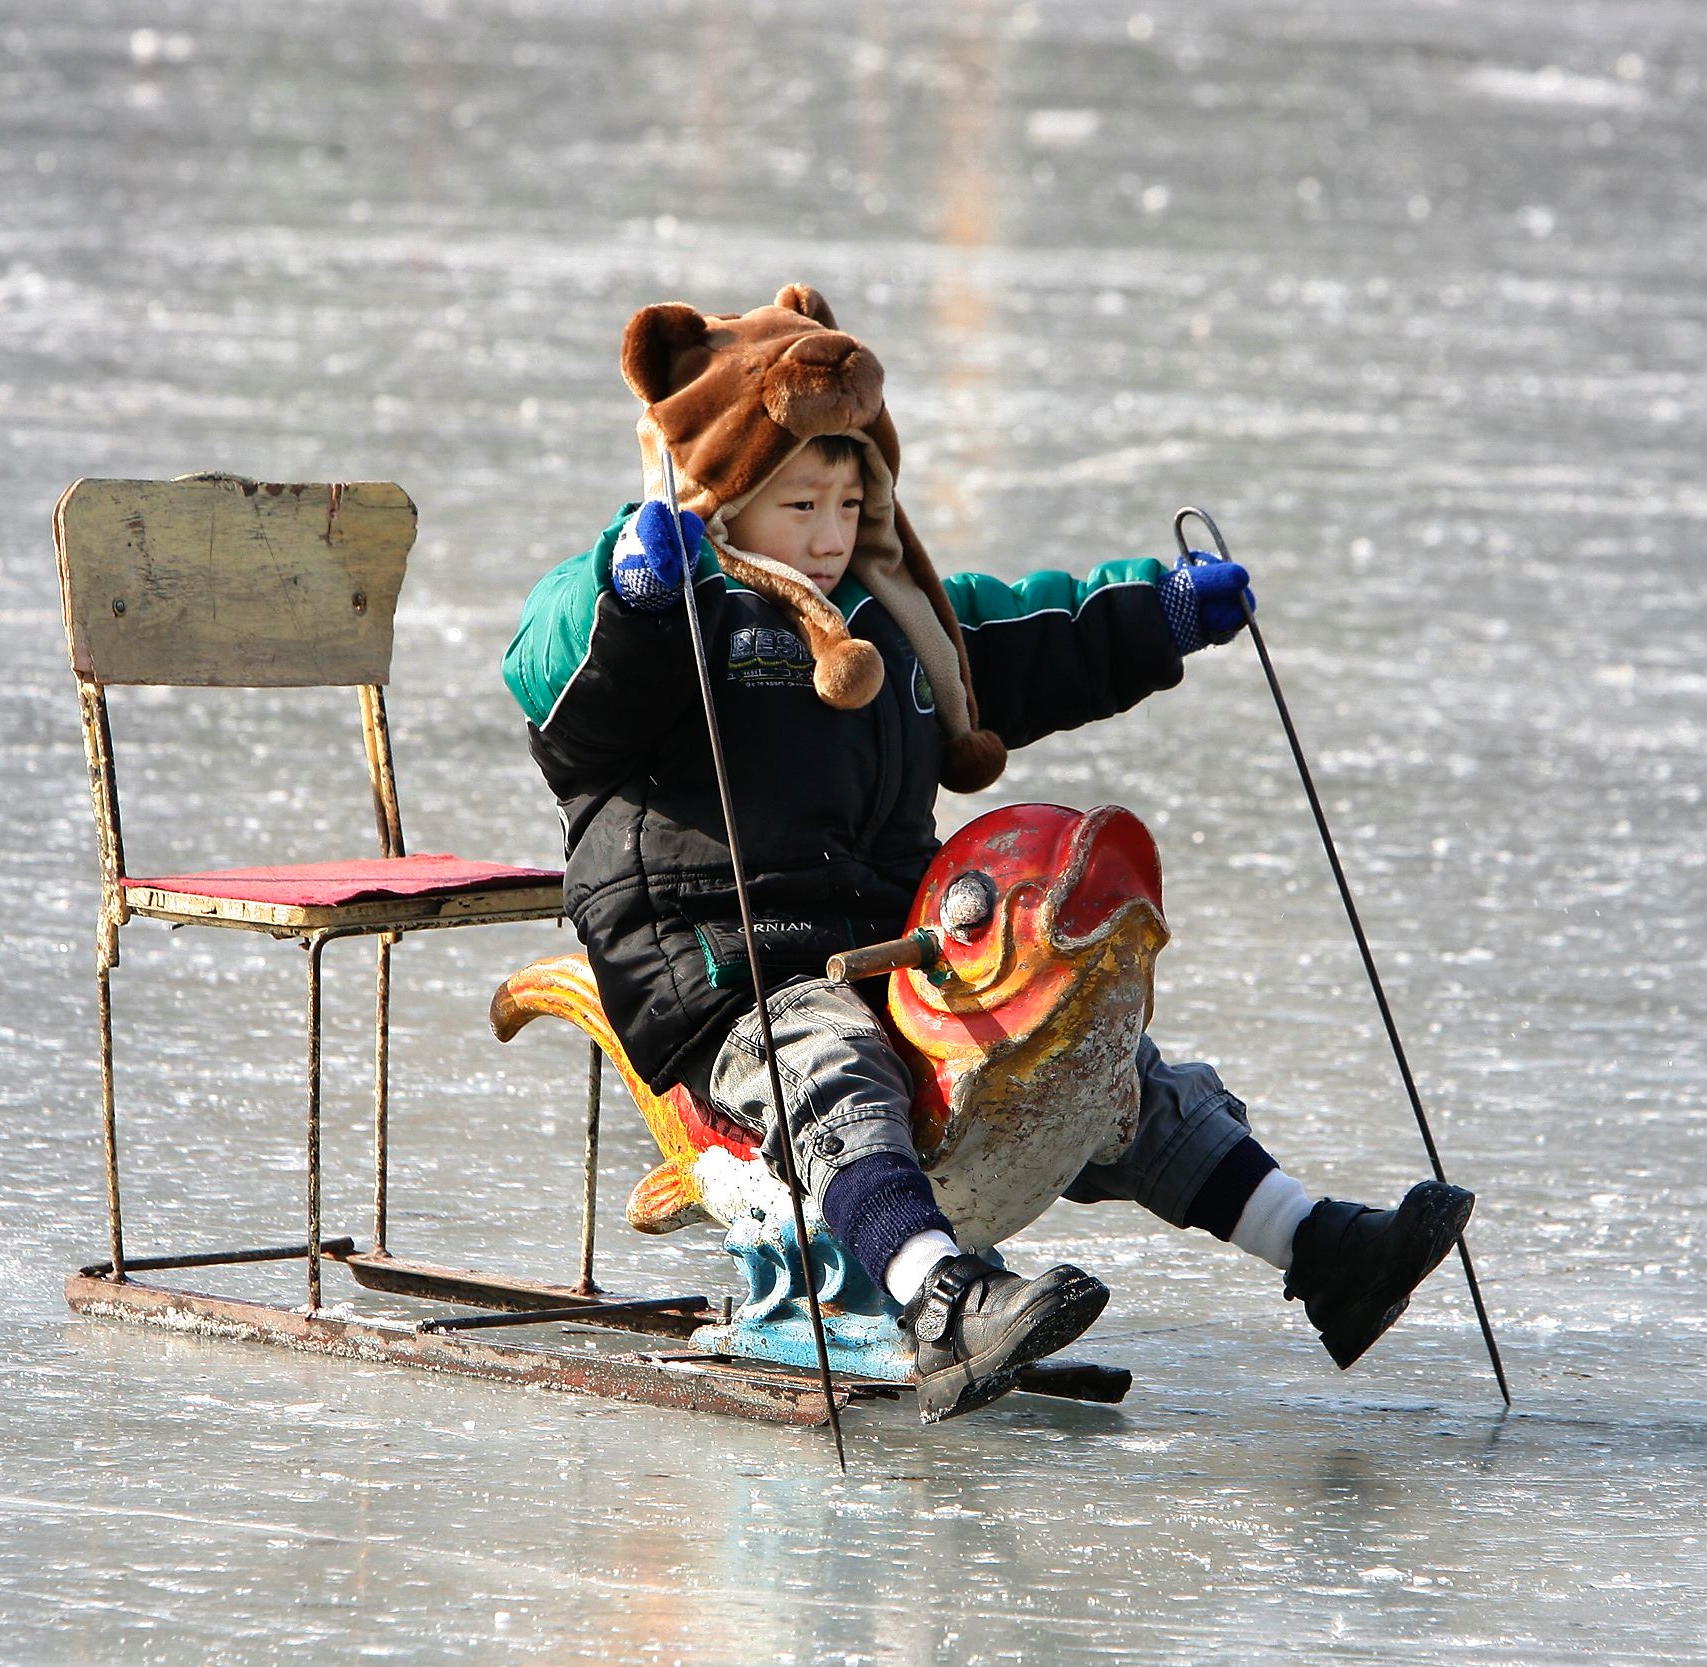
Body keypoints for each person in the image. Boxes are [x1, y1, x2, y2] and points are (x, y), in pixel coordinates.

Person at [505, 286, 1473, 1421]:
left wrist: (1157, 614)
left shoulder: (896, 617)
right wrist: (632, 590)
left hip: (892, 940)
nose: (827, 529)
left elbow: (1034, 636)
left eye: (848, 496)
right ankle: (938, 1301)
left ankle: (1318, 1249)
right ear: (722, 495)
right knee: (834, 1070)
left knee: (1097, 1057)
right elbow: (560, 687)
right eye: (797, 500)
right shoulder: (679, 612)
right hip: (730, 970)